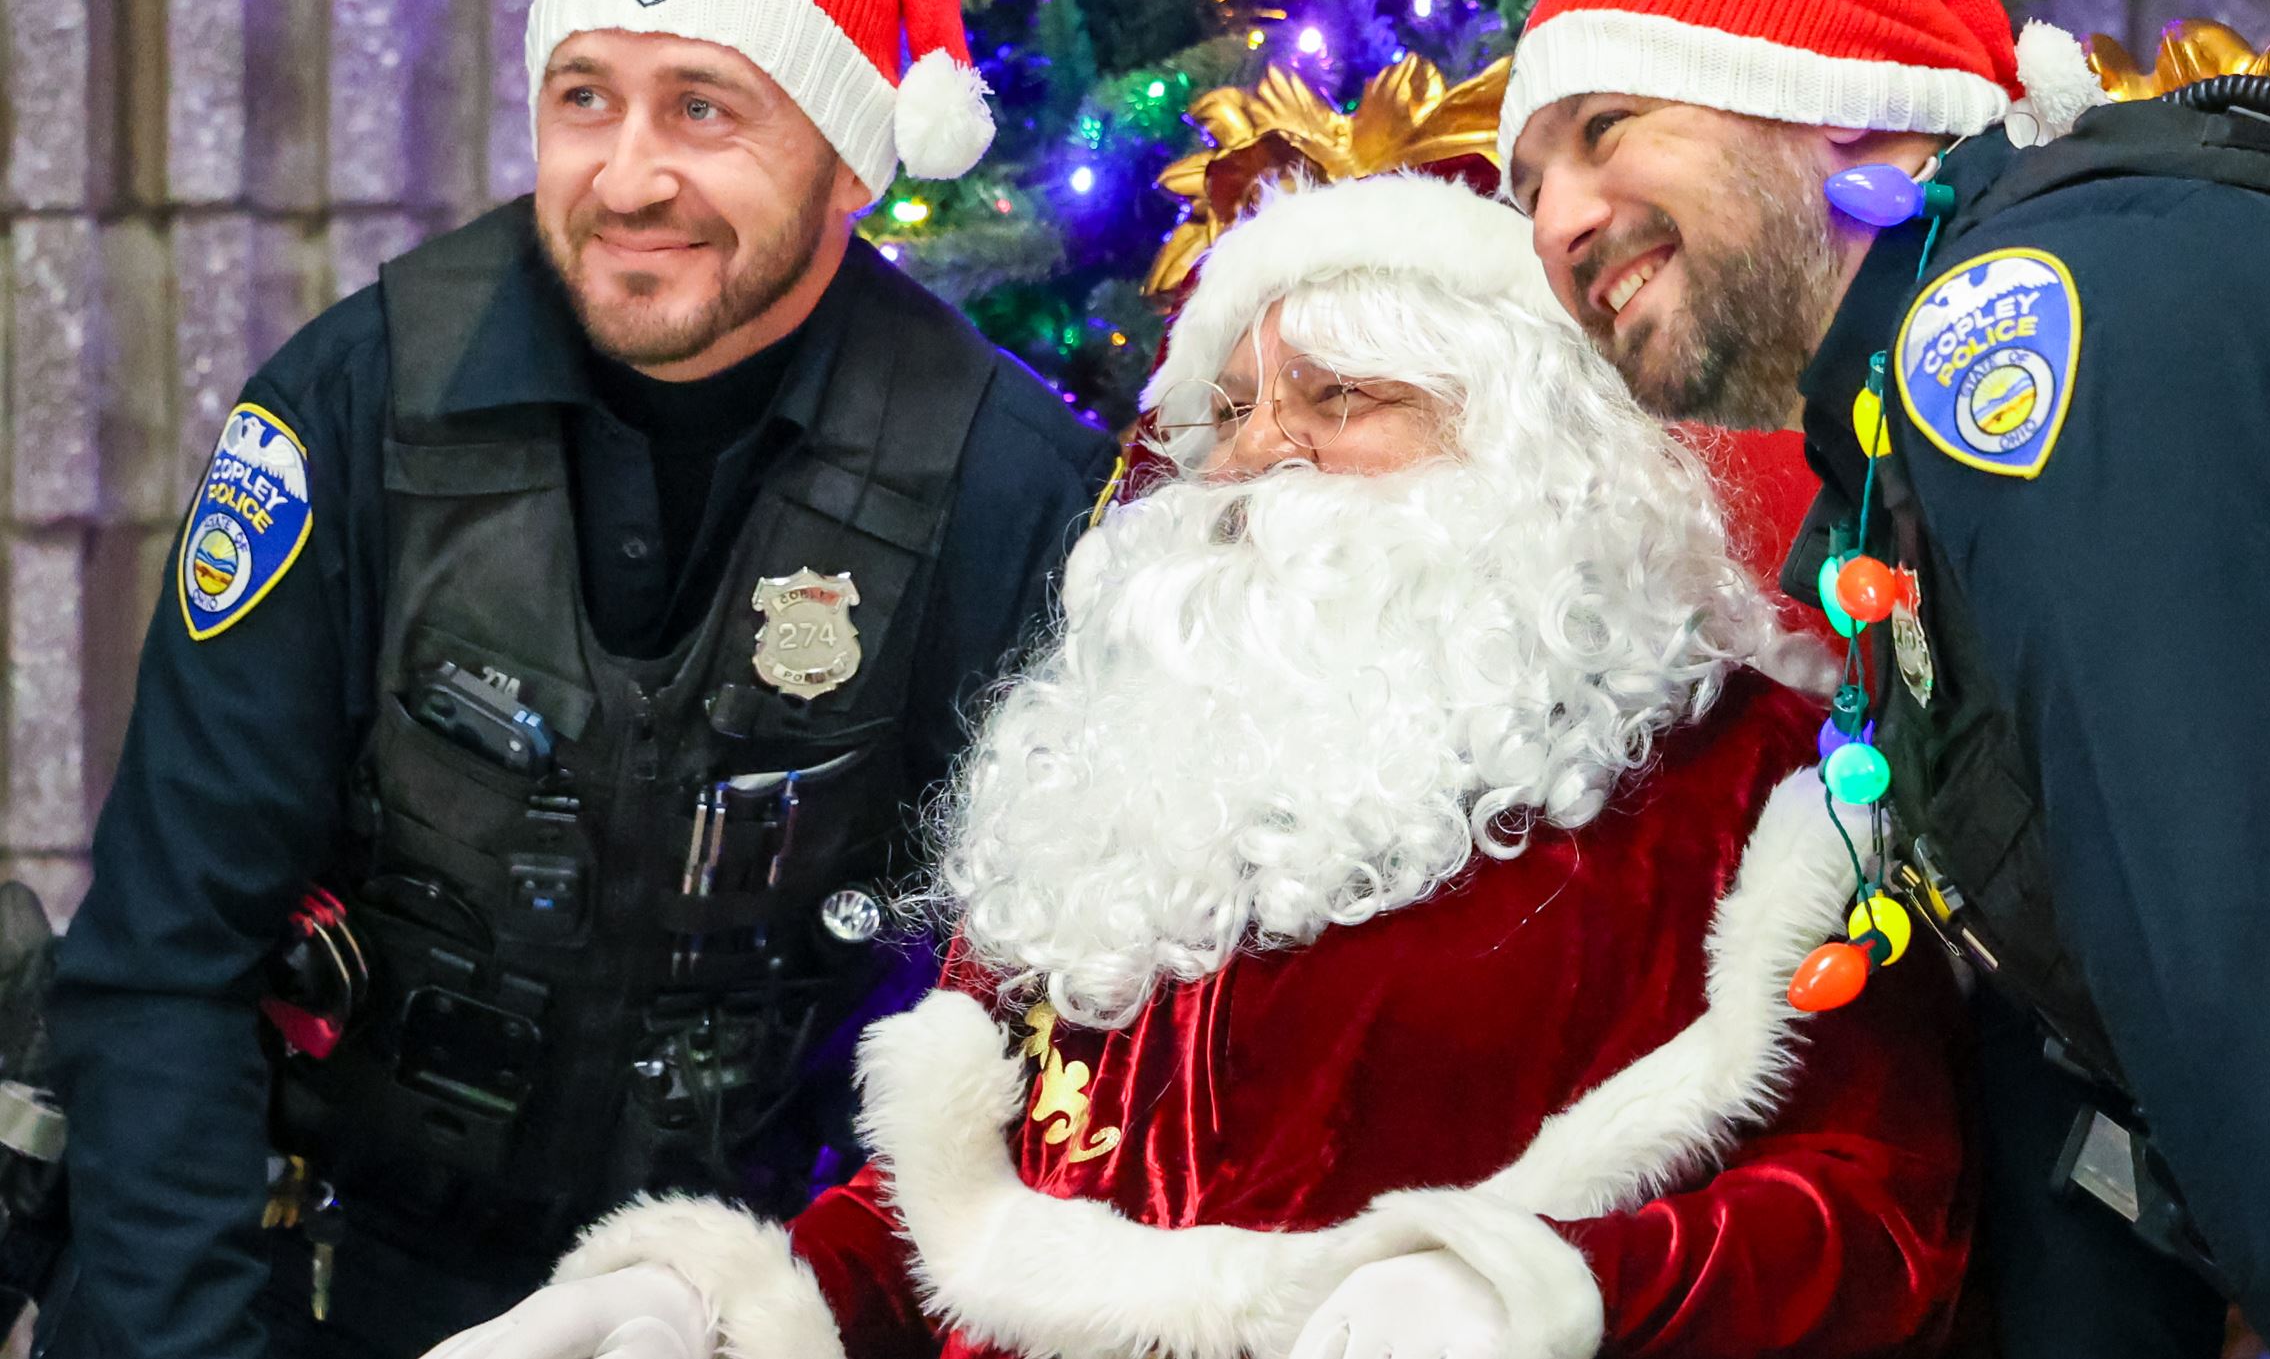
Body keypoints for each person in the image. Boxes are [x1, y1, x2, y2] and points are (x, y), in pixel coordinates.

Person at [422, 172, 1977, 1359]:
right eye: (1229, 409)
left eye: (1341, 395)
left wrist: (1539, 1294)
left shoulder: (1738, 778)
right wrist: (706, 1310)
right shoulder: (1118, 782)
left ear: (1525, 446)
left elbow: (1881, 1202)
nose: (1257, 453)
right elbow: (950, 1223)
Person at [38, 0, 1112, 1359]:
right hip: (325, 1287)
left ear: (853, 162)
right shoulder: (348, 409)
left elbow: (1059, 1041)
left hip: (746, 1308)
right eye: (585, 97)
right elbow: (165, 961)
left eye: (704, 109)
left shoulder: (1005, 484)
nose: (626, 176)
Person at [1497, 0, 2270, 1357]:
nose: (1557, 224)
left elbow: (2229, 952)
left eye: (1608, 127)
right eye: (1527, 188)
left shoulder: (2026, 320)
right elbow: (2093, 1052)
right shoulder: (1891, 467)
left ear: (1832, 96)